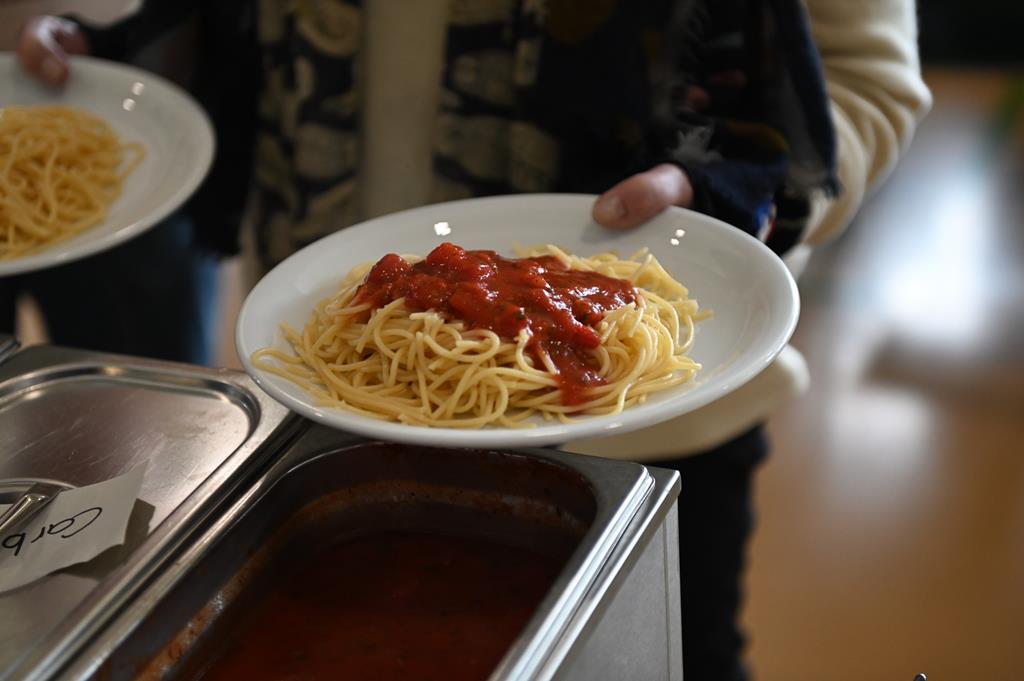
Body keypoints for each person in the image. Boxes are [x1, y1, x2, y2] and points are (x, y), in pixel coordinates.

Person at [17, 1, 930, 678]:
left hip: (647, 427)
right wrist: (114, 64)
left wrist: (725, 195)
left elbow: (865, 83)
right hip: (339, 389)